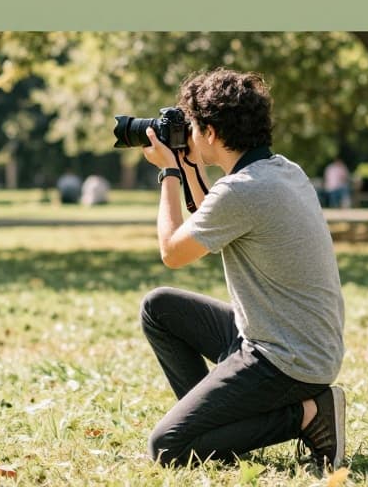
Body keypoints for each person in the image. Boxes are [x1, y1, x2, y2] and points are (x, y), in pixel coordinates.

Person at [137, 69, 346, 471]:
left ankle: (308, 414)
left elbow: (173, 253)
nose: (189, 135)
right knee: (159, 307)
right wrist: (188, 169)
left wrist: (168, 173)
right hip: (294, 340)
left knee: (168, 447)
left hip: (288, 360)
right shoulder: (281, 170)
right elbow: (213, 217)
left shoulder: (242, 192)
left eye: (192, 127)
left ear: (211, 133)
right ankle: (214, 420)